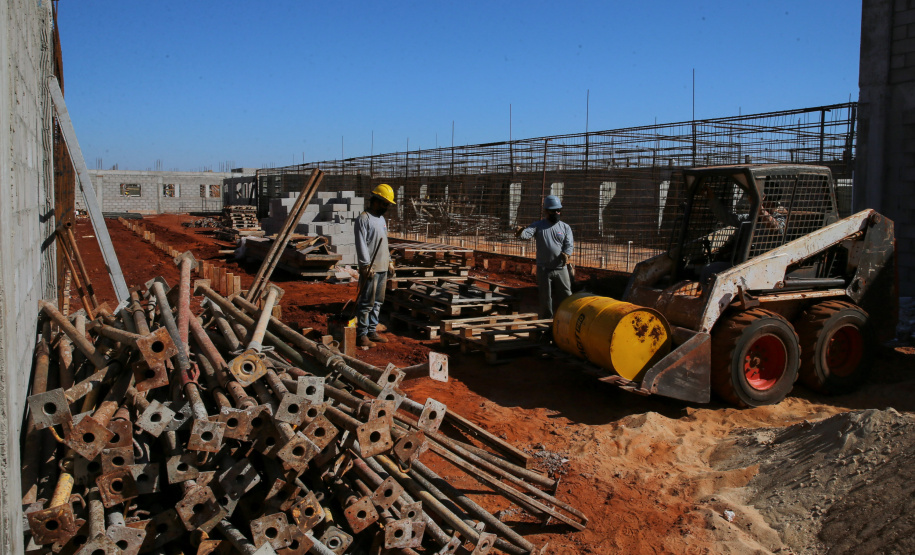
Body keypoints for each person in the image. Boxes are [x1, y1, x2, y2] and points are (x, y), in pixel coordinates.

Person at [515, 195, 574, 319]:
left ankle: (568, 318)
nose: (557, 213)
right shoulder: (538, 225)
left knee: (566, 295)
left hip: (560, 268)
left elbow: (569, 244)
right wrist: (521, 233)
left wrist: (567, 254)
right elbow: (526, 233)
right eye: (553, 211)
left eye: (558, 210)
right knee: (545, 297)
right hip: (544, 268)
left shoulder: (565, 227)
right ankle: (546, 321)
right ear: (546, 211)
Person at [354, 183, 396, 348]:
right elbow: (361, 244)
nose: (386, 207)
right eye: (385, 204)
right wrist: (365, 265)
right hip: (370, 268)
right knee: (366, 302)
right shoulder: (363, 219)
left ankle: (372, 330)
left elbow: (384, 242)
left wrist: (390, 262)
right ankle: (362, 334)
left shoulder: (381, 219)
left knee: (378, 301)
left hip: (382, 267)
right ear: (376, 201)